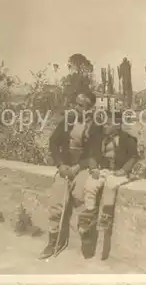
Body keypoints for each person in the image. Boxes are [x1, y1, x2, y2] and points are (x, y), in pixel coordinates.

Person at [39, 91, 104, 260]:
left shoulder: (96, 126)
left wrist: (78, 167)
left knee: (80, 196)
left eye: (81, 106)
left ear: (90, 108)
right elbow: (53, 142)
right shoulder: (67, 121)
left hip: (82, 168)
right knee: (56, 201)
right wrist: (60, 164)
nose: (76, 108)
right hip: (65, 166)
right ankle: (54, 241)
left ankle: (87, 237)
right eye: (76, 104)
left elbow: (95, 154)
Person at [97, 110, 141, 232]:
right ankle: (88, 215)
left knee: (110, 186)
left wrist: (123, 170)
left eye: (107, 124)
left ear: (117, 125)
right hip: (106, 170)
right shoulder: (102, 139)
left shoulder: (128, 139)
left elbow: (134, 157)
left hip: (119, 172)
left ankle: (106, 216)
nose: (104, 126)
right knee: (91, 184)